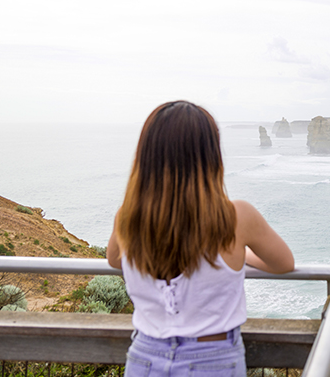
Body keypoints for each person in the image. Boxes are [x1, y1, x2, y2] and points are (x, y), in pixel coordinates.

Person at [107, 100, 294, 376]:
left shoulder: (127, 216)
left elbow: (114, 260)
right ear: (210, 155)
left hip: (145, 356)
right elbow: (283, 263)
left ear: (147, 154)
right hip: (213, 359)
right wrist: (241, 255)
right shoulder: (237, 217)